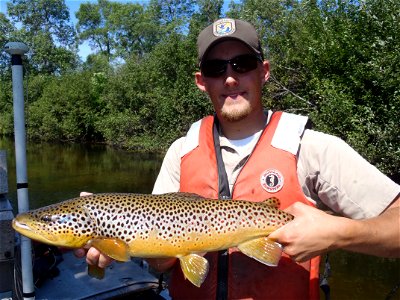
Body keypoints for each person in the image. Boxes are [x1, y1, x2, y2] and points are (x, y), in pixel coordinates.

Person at [75, 18, 400, 299]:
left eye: (242, 63)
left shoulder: (312, 148)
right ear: (201, 82)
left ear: (264, 71)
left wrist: (339, 234)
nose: (230, 78)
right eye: (216, 68)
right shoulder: (181, 151)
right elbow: (161, 263)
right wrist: (115, 242)